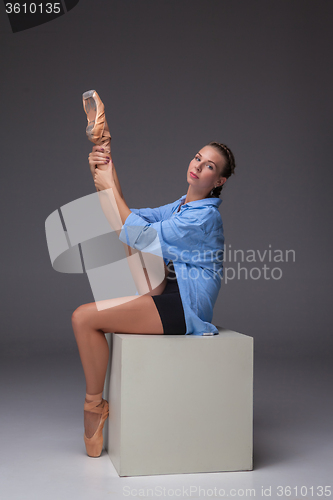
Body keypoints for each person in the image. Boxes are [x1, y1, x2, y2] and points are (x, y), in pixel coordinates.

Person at [72, 137, 236, 457]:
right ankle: (96, 405)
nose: (198, 166)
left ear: (219, 181)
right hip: (164, 288)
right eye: (197, 157)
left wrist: (106, 180)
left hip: (184, 306)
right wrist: (108, 166)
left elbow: (135, 231)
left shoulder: (204, 217)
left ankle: (95, 405)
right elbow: (128, 219)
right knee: (131, 231)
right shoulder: (179, 207)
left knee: (83, 317)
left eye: (209, 166)